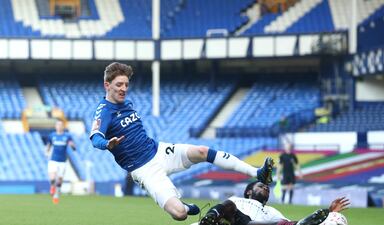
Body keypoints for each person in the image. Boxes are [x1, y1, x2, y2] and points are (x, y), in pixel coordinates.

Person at [89, 62, 274, 221]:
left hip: (159, 150)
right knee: (179, 214)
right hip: (144, 170)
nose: (123, 89)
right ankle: (186, 206)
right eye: (119, 85)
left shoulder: (126, 104)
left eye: (126, 85)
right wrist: (107, 144)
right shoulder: (104, 111)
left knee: (202, 151)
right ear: (107, 85)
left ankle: (257, 172)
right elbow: (95, 137)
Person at [199, 181, 350, 225]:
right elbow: (228, 210)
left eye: (267, 188)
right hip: (233, 221)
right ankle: (209, 218)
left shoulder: (272, 211)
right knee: (229, 206)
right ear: (248, 192)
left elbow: (287, 223)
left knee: (287, 224)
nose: (266, 187)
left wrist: (329, 213)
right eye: (260, 186)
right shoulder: (237, 200)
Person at [45, 119, 76, 204]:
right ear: (56, 126)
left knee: (59, 180)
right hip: (53, 160)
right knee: (52, 178)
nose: (59, 126)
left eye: (61, 125)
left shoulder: (67, 136)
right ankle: (52, 187)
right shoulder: (52, 135)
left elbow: (72, 145)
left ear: (63, 126)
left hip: (62, 161)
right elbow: (48, 145)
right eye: (58, 125)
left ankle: (57, 194)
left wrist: (72, 146)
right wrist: (46, 151)